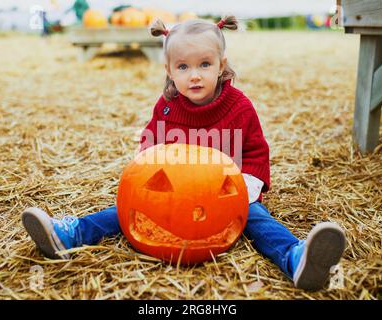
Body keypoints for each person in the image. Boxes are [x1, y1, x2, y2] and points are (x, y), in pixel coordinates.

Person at [22, 16, 346, 291]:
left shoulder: (240, 107)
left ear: (221, 65)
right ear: (169, 70)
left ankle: (295, 257)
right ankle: (70, 234)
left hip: (226, 195)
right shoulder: (166, 108)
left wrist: (247, 187)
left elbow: (257, 151)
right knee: (123, 213)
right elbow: (150, 148)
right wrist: (144, 184)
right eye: (183, 66)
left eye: (204, 64)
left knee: (258, 221)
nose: (194, 75)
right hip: (173, 198)